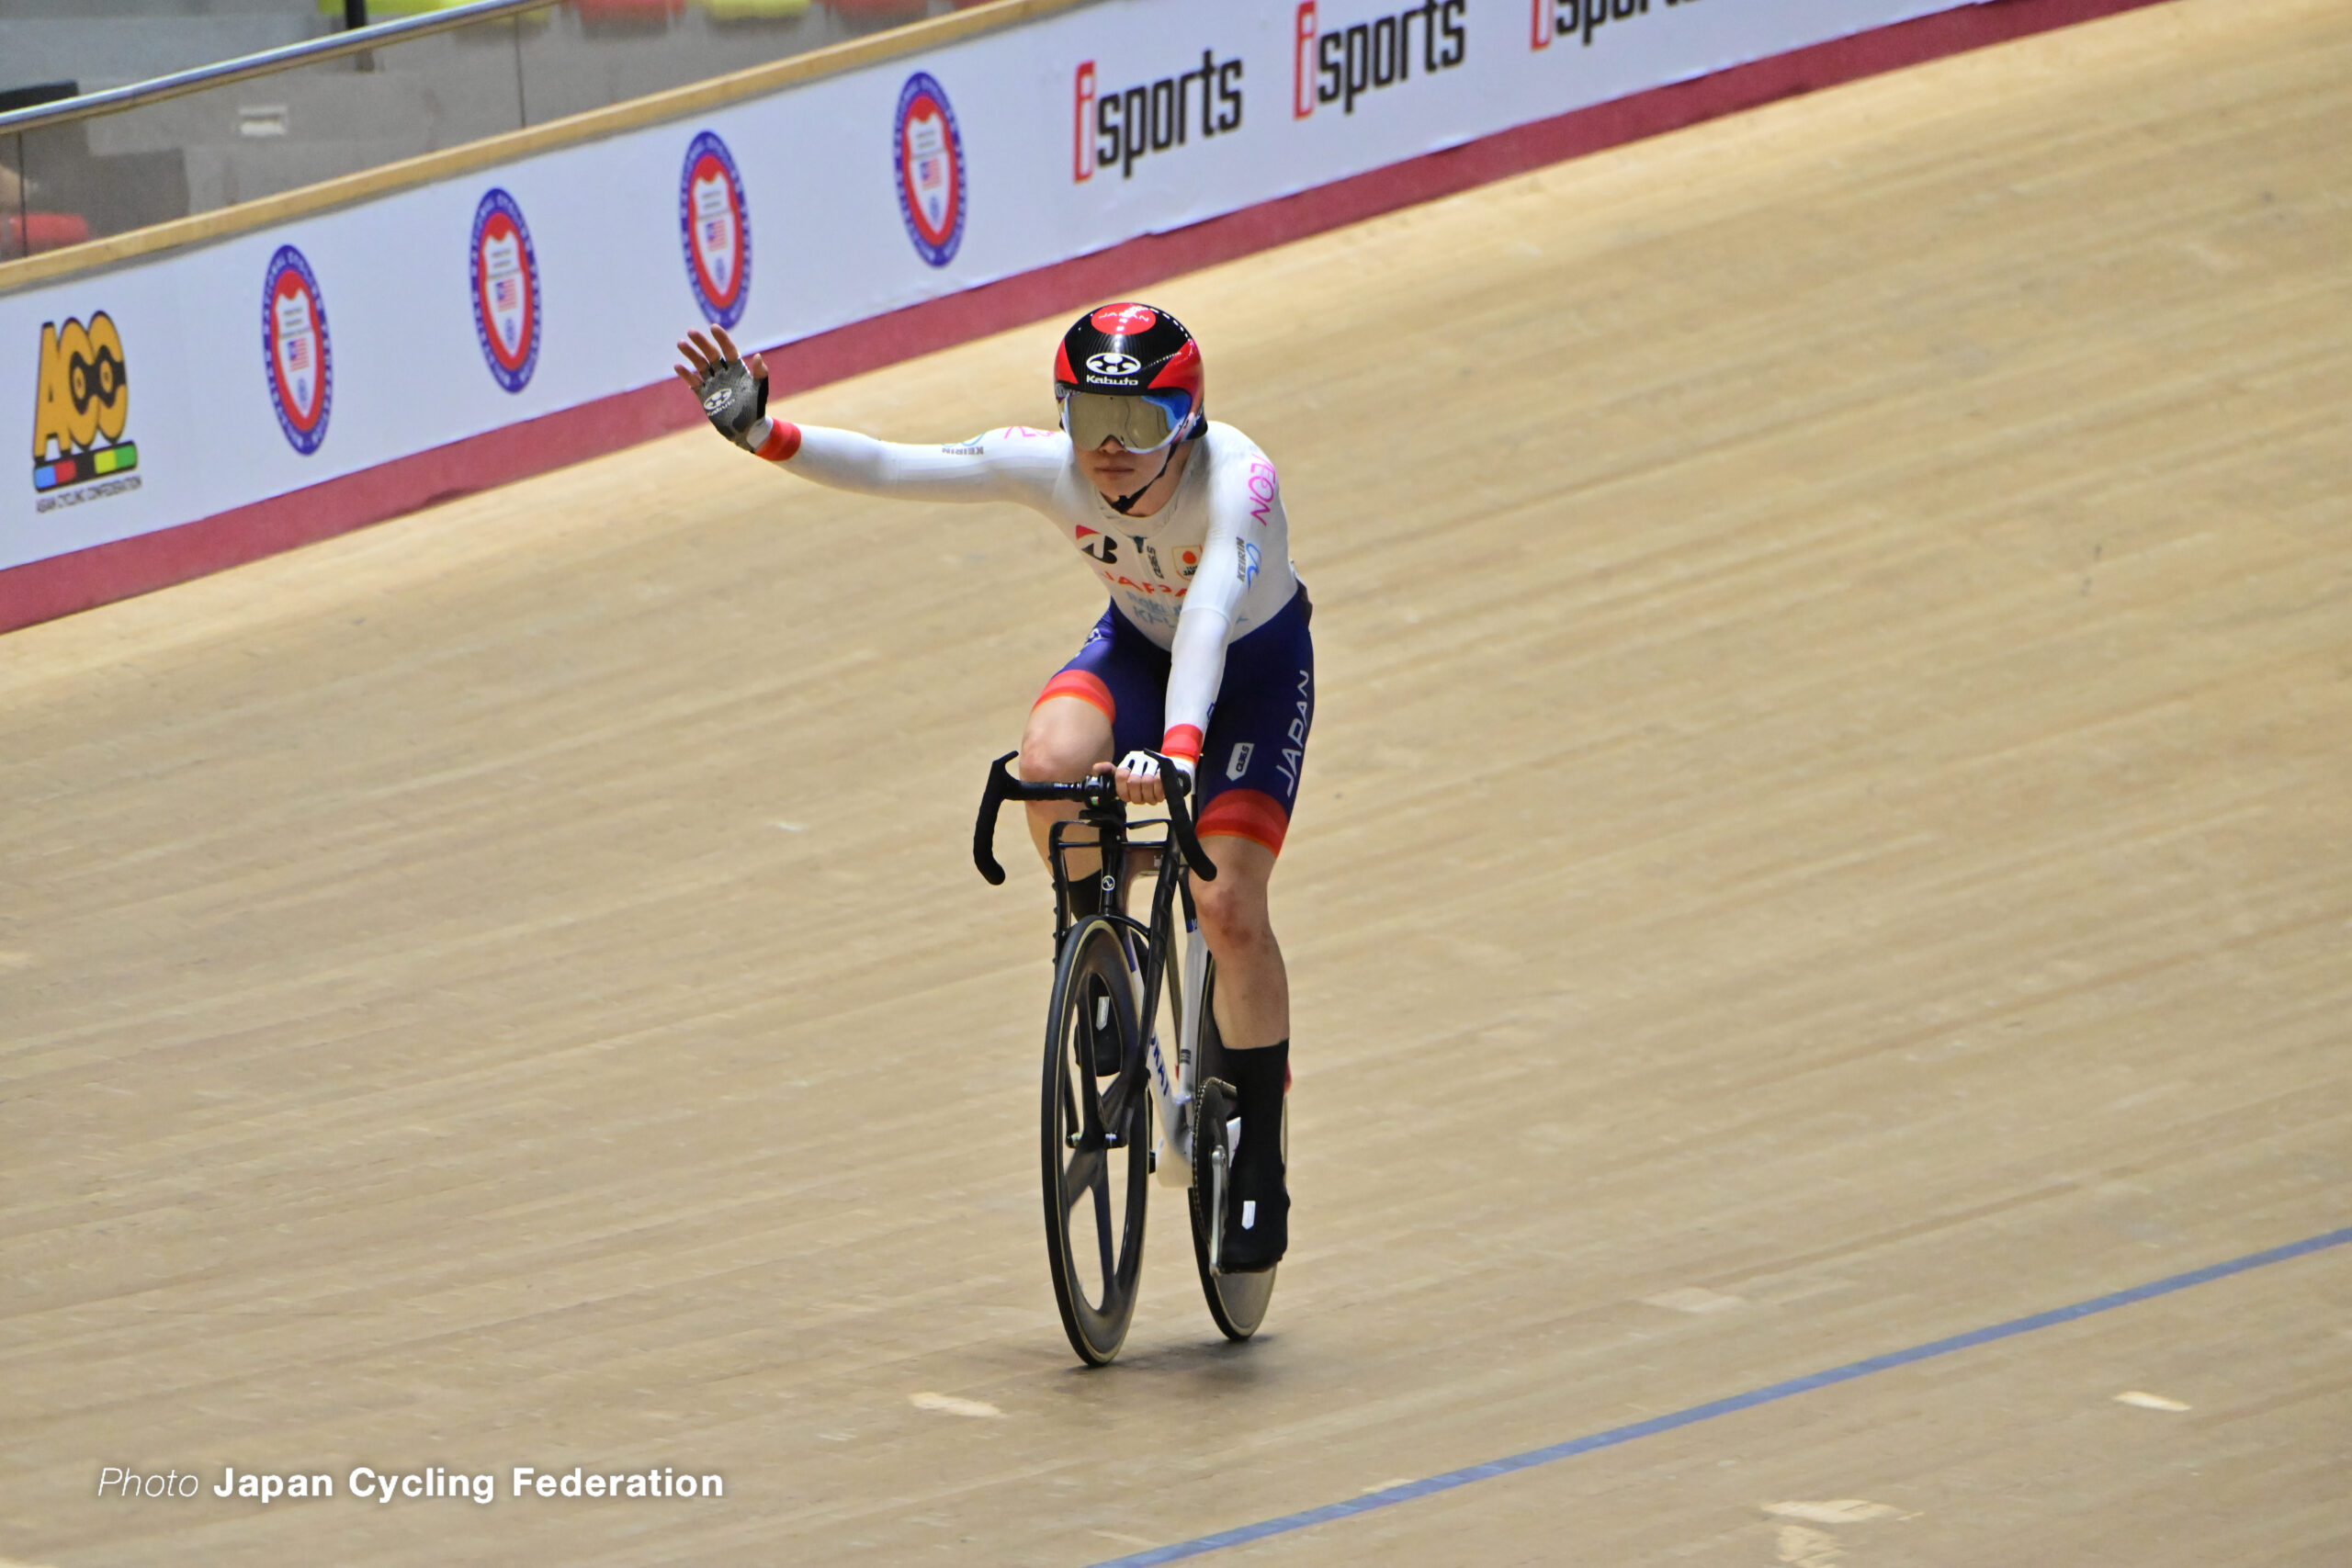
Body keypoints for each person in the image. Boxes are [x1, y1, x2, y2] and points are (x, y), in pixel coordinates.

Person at [673, 304, 1310, 1269]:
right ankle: (1093, 935)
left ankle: (1259, 1155)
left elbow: (1213, 616)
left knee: (1223, 903)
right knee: (1047, 763)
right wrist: (766, 434)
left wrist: (1177, 758)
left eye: (1137, 423)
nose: (1107, 447)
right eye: (1088, 414)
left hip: (1249, 674)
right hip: (1141, 652)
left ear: (1186, 420)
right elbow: (895, 465)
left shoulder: (1239, 484)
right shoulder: (1051, 465)